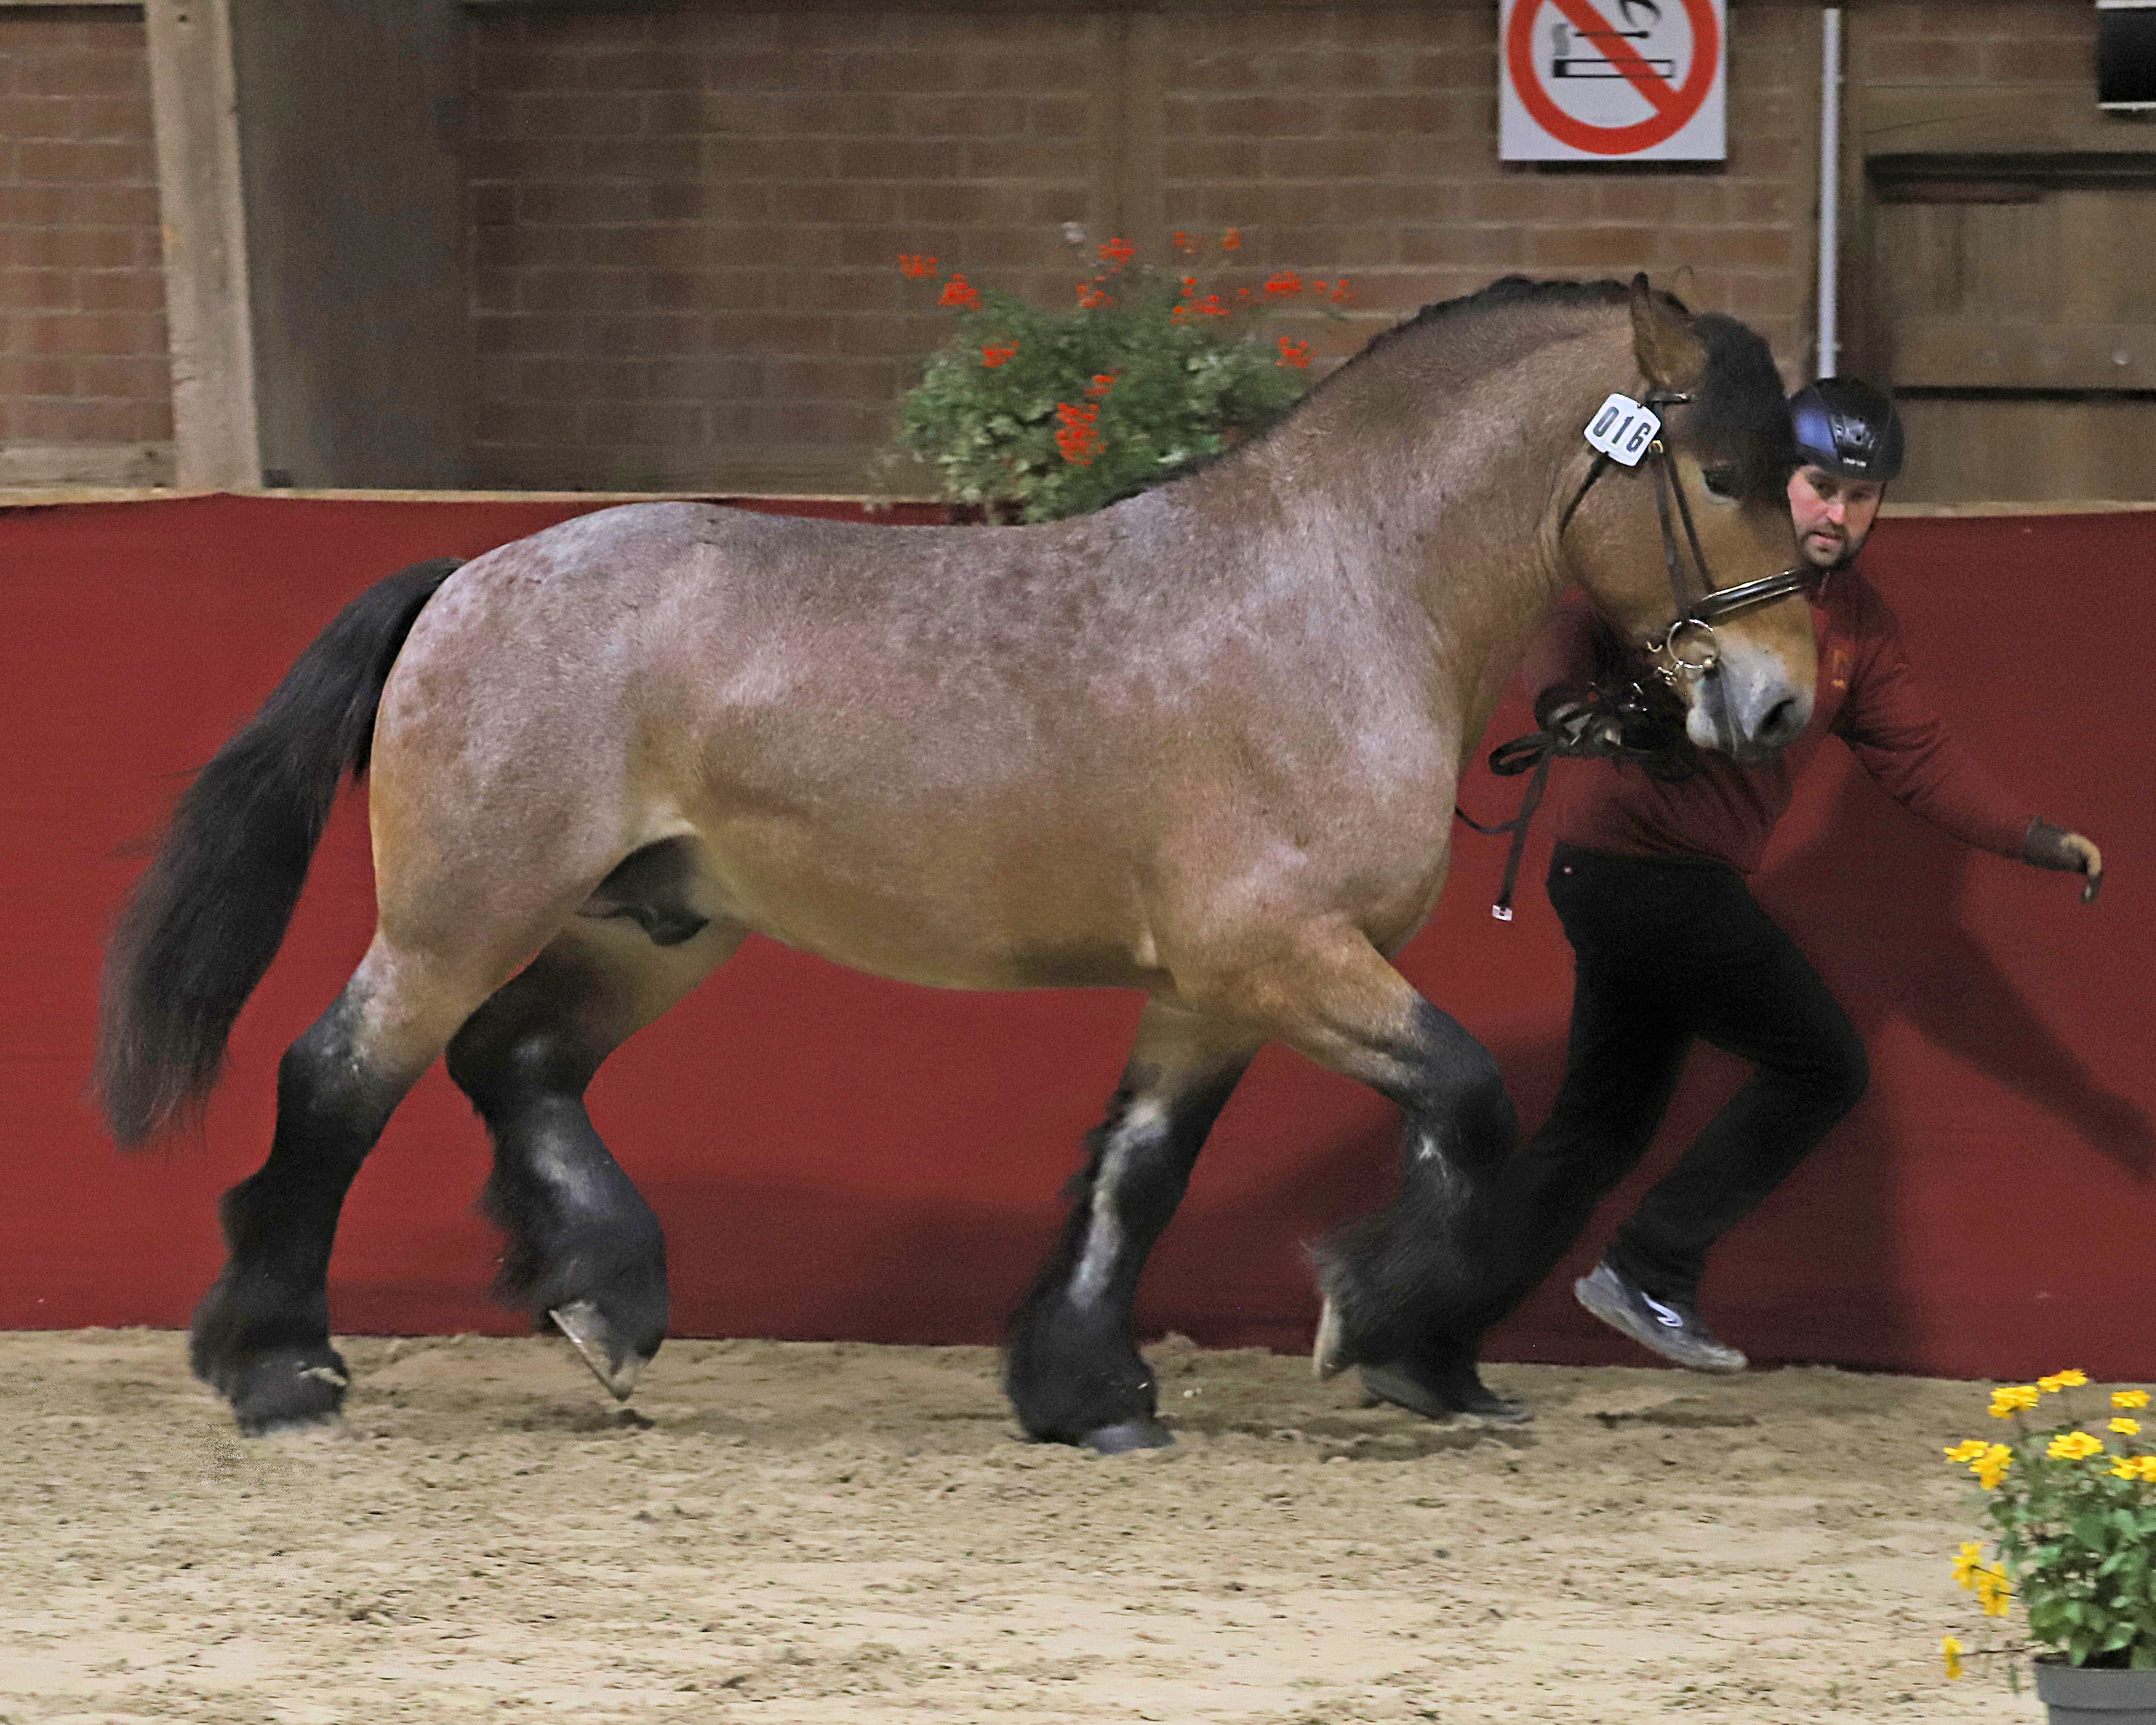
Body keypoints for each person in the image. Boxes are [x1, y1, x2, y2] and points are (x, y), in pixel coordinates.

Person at [1434, 378, 2104, 1400]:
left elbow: (1920, 761)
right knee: (1823, 1063)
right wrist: (1569, 703)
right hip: (1640, 868)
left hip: (1643, 881)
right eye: (1822, 485)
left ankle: (1420, 1327)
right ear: (1779, 480)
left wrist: (2038, 839)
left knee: (1595, 1130)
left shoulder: (1858, 626)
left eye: (1864, 495)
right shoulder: (1706, 561)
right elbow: (1575, 620)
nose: (1840, 512)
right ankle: (1650, 1267)